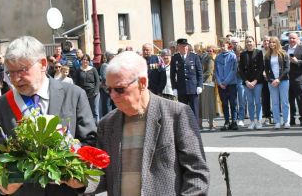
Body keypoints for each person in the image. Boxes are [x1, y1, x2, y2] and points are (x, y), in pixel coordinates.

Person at [85, 51, 209, 195]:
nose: (112, 95)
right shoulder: (107, 124)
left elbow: (197, 174)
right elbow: (102, 173)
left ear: (142, 83)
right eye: (109, 89)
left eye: (119, 89)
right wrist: (79, 181)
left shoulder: (177, 114)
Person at [0, 36, 97, 195]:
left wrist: (79, 176)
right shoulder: (1, 105)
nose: (15, 79)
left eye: (22, 70)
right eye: (10, 73)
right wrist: (1, 185)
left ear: (43, 64)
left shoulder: (74, 95)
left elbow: (90, 142)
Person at [170, 38, 203, 120]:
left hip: (193, 88)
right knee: (182, 111)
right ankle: (184, 130)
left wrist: (200, 85)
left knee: (194, 110)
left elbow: (199, 72)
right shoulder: (175, 58)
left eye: (186, 46)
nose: (185, 48)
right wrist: (174, 88)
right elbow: (172, 74)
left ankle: (195, 130)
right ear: (178, 47)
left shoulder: (194, 57)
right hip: (181, 88)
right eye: (182, 46)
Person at [263, 37, 291, 129]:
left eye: (273, 42)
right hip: (272, 82)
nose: (271, 44)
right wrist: (271, 80)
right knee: (275, 102)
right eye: (270, 42)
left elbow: (287, 68)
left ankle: (286, 121)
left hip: (283, 80)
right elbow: (266, 70)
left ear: (277, 43)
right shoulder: (267, 55)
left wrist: (278, 79)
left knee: (285, 102)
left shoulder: (283, 54)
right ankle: (277, 122)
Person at [238, 36, 265, 130]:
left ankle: (259, 121)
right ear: (245, 43)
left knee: (257, 102)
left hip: (257, 81)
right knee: (250, 102)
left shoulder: (259, 52)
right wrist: (246, 81)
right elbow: (240, 70)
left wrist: (255, 81)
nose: (249, 43)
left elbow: (261, 68)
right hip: (247, 82)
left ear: (254, 42)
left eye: (250, 41)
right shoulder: (243, 54)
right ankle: (252, 121)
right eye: (247, 42)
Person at [284, 32, 302, 126]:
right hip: (286, 78)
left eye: (294, 38)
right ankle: (291, 119)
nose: (292, 40)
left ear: (297, 39)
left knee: (301, 100)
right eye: (290, 38)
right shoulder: (284, 49)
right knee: (289, 100)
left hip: (298, 78)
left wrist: (297, 61)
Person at [215, 39, 239, 131]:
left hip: (231, 83)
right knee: (224, 104)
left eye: (224, 45)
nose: (222, 47)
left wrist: (225, 82)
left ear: (228, 46)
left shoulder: (232, 56)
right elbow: (216, 72)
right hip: (221, 85)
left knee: (233, 103)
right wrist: (220, 83)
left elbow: (234, 70)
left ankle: (234, 121)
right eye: (221, 45)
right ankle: (226, 121)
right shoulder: (218, 57)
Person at [72, 54, 101, 121]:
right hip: (83, 94)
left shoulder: (93, 69)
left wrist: (96, 91)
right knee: (85, 111)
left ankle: (97, 127)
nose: (85, 61)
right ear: (81, 61)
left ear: (89, 61)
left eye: (86, 60)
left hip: (94, 93)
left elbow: (97, 81)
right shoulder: (78, 70)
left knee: (95, 111)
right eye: (83, 59)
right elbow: (76, 82)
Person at [200, 45, 217, 130]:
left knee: (208, 104)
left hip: (208, 83)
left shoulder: (210, 59)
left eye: (211, 50)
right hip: (206, 83)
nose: (209, 52)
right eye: (208, 50)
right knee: (205, 104)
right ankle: (208, 124)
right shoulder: (206, 58)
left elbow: (209, 71)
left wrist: (200, 79)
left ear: (214, 51)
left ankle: (211, 124)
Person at [261, 36, 273, 124]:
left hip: (274, 77)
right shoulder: (259, 52)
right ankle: (267, 116)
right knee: (265, 98)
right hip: (263, 78)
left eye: (268, 41)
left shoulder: (274, 51)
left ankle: (276, 116)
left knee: (276, 98)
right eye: (265, 41)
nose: (266, 42)